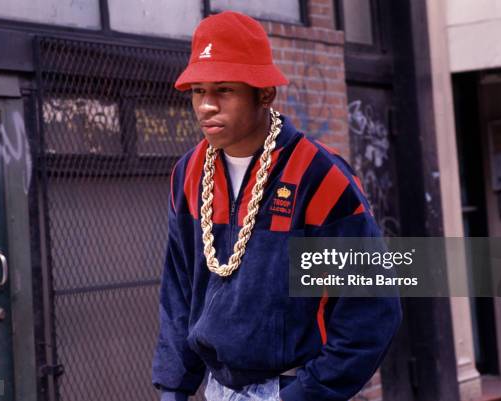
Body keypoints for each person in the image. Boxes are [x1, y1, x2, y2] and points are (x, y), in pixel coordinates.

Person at [152, 10, 402, 401]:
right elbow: (179, 292)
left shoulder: (319, 176)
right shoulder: (188, 174)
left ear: (265, 93)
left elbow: (370, 309)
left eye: (224, 90)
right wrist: (174, 388)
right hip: (217, 390)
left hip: (294, 388)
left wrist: (305, 392)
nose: (206, 106)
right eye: (199, 91)